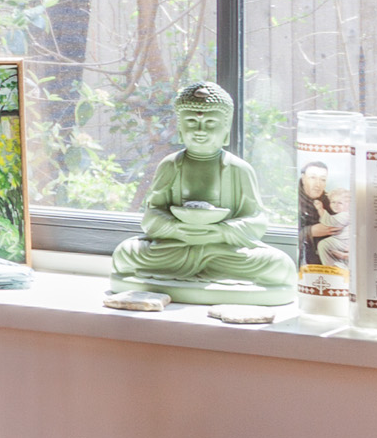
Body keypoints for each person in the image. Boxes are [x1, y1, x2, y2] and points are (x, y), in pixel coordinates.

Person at [110, 80, 298, 306]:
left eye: (210, 123)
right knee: (124, 254)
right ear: (180, 127)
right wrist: (176, 229)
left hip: (222, 250)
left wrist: (220, 232)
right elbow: (151, 217)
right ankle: (202, 276)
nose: (200, 131)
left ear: (226, 129)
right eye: (191, 122)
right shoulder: (170, 165)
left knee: (280, 266)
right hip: (176, 247)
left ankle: (194, 276)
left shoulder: (239, 169)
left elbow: (257, 221)